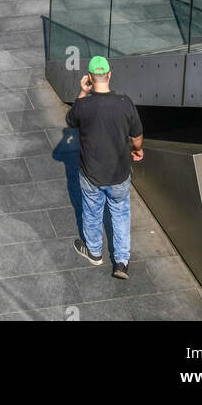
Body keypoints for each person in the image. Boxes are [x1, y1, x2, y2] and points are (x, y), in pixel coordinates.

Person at [67, 56, 143, 279]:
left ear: (90, 78)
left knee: (92, 211)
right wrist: (138, 149)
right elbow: (137, 136)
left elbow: (70, 120)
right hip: (119, 173)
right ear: (110, 75)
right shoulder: (125, 102)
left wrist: (82, 92)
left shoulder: (84, 105)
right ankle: (121, 262)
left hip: (91, 173)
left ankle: (94, 252)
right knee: (120, 213)